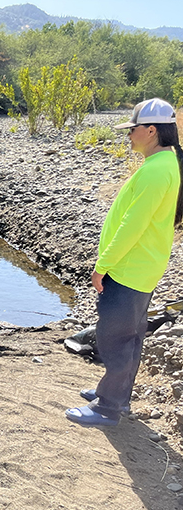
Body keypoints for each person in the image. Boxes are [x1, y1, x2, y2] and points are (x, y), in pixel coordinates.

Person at [66, 97, 183, 427]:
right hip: (142, 268)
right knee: (130, 335)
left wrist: (103, 264)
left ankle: (109, 407)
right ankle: (115, 395)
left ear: (151, 130)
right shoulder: (165, 163)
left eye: (133, 130)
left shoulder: (156, 171)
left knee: (115, 338)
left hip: (130, 269)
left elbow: (134, 224)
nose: (128, 136)